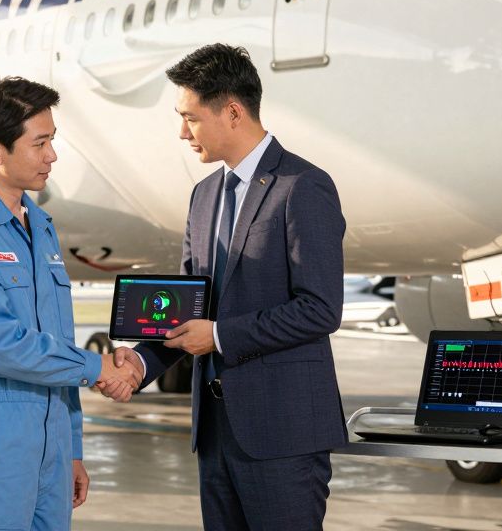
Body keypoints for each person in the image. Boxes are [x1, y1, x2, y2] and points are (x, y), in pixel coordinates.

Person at [97, 43, 348, 530]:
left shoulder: (303, 186)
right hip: (215, 435)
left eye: (190, 117)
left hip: (282, 435)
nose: (182, 132)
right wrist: (142, 363)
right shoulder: (204, 195)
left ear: (232, 111)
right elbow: (192, 307)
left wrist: (218, 336)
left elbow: (320, 310)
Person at [0, 76, 142, 531]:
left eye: (52, 140)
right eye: (40, 143)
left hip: (50, 450)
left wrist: (72, 449)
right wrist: (99, 369)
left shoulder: (42, 228)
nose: (52, 156)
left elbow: (56, 345)